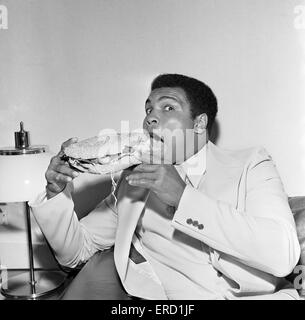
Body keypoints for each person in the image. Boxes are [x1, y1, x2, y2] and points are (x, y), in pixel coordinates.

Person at [29, 74, 301, 300]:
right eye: (148, 110)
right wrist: (57, 193)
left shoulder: (251, 164)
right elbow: (76, 252)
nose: (150, 118)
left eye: (167, 107)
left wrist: (184, 198)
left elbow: (282, 255)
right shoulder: (133, 182)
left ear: (199, 123)